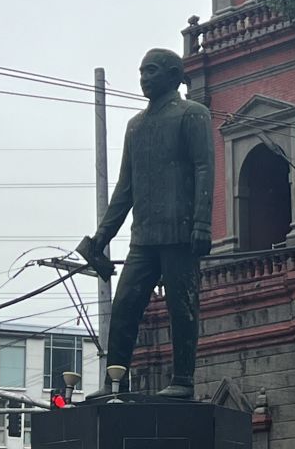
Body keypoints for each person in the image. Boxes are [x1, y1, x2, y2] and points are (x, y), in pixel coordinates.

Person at [79, 47, 214, 399]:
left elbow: (204, 168)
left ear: (173, 75)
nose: (144, 78)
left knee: (181, 307)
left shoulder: (193, 114)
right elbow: (125, 189)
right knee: (124, 307)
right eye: (141, 72)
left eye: (151, 71)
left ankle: (183, 379)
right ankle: (116, 383)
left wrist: (202, 223)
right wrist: (101, 237)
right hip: (144, 238)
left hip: (181, 232)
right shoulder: (135, 127)